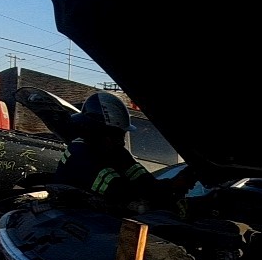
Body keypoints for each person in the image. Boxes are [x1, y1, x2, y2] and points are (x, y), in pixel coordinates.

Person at [54, 91, 191, 214]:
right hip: (70, 219)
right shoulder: (81, 153)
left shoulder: (114, 150)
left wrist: (174, 184)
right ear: (97, 132)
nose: (122, 142)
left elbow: (145, 183)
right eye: (116, 136)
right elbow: (119, 191)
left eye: (122, 135)